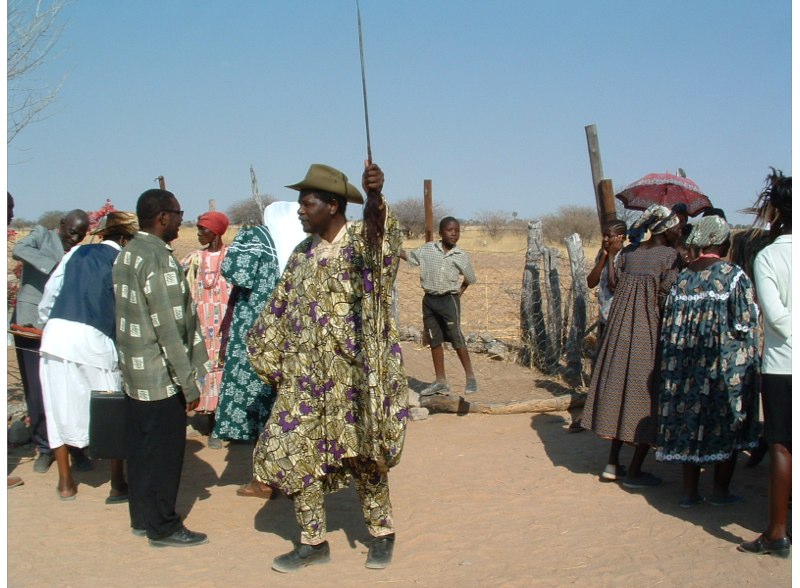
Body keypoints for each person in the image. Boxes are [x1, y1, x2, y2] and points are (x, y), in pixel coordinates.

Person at [249, 162, 409, 572]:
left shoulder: (362, 241)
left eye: (307, 204)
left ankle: (381, 534)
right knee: (294, 451)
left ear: (332, 206)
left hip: (356, 379)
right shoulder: (301, 254)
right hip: (307, 381)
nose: (300, 211)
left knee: (366, 455)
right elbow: (278, 308)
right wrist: (266, 355)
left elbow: (385, 241)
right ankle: (312, 542)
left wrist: (375, 198)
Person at [112, 189, 210, 548]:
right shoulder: (157, 259)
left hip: (135, 374)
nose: (182, 220)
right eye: (178, 213)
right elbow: (169, 328)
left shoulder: (128, 253)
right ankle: (164, 526)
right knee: (164, 455)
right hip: (159, 376)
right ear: (163, 216)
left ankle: (143, 518)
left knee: (141, 451)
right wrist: (189, 383)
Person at [655, 216, 760, 508]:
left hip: (685, 367)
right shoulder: (733, 275)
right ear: (719, 243)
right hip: (723, 366)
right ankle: (720, 491)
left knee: (689, 423)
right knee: (727, 422)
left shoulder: (683, 278)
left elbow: (669, 325)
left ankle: (689, 492)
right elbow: (745, 322)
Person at [38, 211, 139, 501]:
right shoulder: (122, 260)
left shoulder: (75, 254)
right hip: (96, 339)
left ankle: (65, 483)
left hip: (56, 336)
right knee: (110, 408)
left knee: (57, 407)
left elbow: (50, 294)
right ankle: (117, 483)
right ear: (124, 239)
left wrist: (49, 323)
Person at [581, 204, 682, 488]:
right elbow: (666, 297)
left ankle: (612, 464)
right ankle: (635, 472)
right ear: (665, 228)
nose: (679, 231)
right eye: (676, 227)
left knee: (620, 394)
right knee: (646, 400)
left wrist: (612, 257)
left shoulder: (629, 253)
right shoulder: (670, 256)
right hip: (647, 334)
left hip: (619, 333)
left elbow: (613, 285)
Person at [11, 208, 91, 473]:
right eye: (72, 232)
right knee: (36, 390)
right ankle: (45, 448)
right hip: (30, 324)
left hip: (63, 328)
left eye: (81, 235)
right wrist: (55, 265)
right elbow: (19, 249)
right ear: (62, 224)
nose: (75, 238)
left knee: (71, 389)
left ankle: (76, 448)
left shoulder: (79, 253)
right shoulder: (40, 235)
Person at [739, 170, 792, 558]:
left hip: (783, 366)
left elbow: (776, 320)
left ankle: (776, 532)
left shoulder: (769, 256)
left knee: (782, 447)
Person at [210, 215, 282, 498]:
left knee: (259, 404)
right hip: (289, 332)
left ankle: (263, 480)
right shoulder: (305, 242)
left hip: (258, 331)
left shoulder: (257, 237)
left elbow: (237, 271)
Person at [401, 216, 478, 395]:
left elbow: (470, 278)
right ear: (440, 233)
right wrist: (392, 248)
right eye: (450, 230)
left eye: (457, 231)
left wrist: (458, 293)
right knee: (434, 339)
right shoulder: (428, 249)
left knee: (456, 336)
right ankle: (440, 380)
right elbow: (410, 257)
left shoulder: (461, 256)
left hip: (449, 300)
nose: (454, 234)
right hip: (429, 301)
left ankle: (470, 377)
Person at [180, 211, 233, 442]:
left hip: (225, 325)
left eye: (203, 229)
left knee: (223, 369)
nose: (199, 234)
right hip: (201, 324)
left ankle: (221, 423)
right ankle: (209, 422)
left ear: (216, 232)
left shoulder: (231, 257)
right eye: (199, 229)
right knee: (204, 368)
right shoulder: (194, 258)